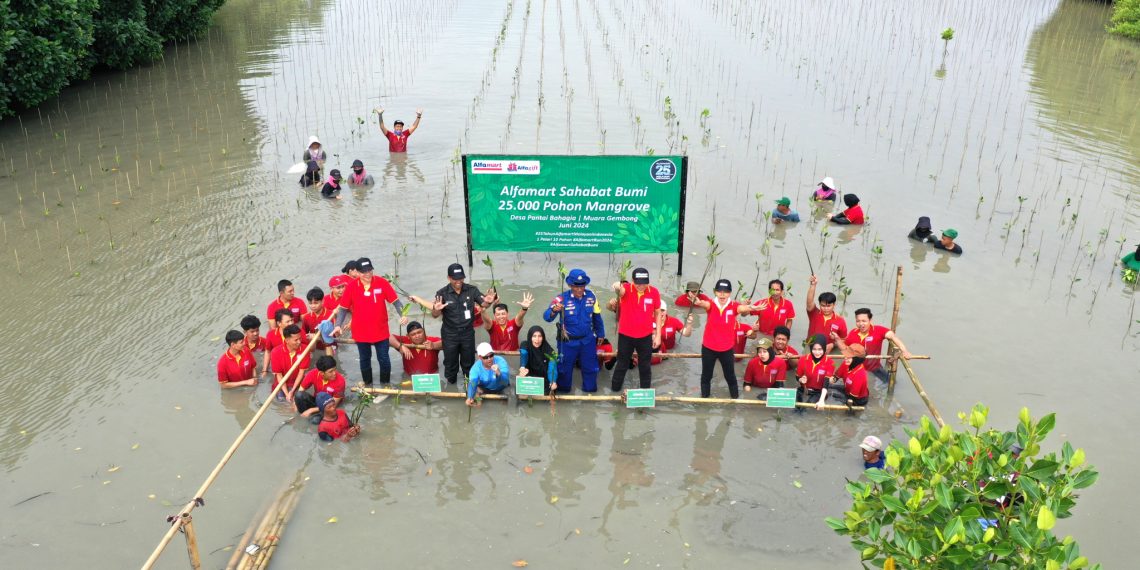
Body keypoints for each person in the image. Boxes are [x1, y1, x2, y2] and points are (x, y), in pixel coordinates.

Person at [333, 257, 406, 386]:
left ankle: (385, 385)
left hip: (381, 330)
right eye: (363, 272)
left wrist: (403, 315)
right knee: (364, 359)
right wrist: (338, 325)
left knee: (384, 359)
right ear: (357, 272)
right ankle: (368, 383)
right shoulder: (351, 287)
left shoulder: (382, 283)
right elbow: (343, 309)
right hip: (361, 332)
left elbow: (396, 302)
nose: (367, 274)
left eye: (369, 271)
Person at [419, 263, 492, 385]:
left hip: (467, 333)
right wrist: (436, 309)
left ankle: (469, 386)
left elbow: (483, 303)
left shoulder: (472, 290)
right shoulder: (441, 293)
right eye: (455, 278)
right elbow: (435, 315)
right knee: (450, 363)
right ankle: (451, 384)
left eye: (461, 278)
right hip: (450, 334)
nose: (458, 281)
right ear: (449, 278)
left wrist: (488, 302)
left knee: (468, 362)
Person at [688, 279, 757, 398]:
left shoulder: (734, 306)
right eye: (719, 291)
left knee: (730, 376)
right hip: (709, 348)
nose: (722, 294)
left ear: (730, 293)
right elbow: (705, 304)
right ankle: (705, 401)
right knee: (706, 376)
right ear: (715, 292)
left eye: (725, 292)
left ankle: (735, 400)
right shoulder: (711, 304)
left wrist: (752, 307)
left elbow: (742, 308)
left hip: (727, 349)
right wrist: (699, 302)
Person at [543, 269, 606, 392]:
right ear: (570, 285)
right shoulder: (561, 298)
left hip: (587, 341)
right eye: (576, 286)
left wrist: (601, 333)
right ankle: (564, 393)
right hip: (567, 342)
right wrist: (554, 310)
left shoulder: (591, 296)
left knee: (591, 368)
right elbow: (546, 317)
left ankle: (589, 393)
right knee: (564, 369)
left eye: (582, 286)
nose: (579, 289)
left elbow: (597, 316)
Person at [610, 268, 664, 392]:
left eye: (644, 283)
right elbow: (620, 291)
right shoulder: (627, 288)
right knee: (622, 364)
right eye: (638, 283)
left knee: (645, 366)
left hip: (645, 336)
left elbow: (657, 314)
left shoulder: (654, 292)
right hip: (626, 335)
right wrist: (617, 286)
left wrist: (658, 336)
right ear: (632, 281)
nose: (641, 286)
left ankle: (645, 393)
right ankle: (615, 390)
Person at [832, 308, 912, 381]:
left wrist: (904, 351)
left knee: (891, 382)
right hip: (856, 367)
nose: (861, 324)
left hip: (874, 367)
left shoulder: (878, 330)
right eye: (858, 321)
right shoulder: (853, 332)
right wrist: (837, 339)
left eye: (864, 321)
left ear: (870, 320)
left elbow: (894, 337)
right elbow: (846, 350)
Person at [805, 275, 847, 352]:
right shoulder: (814, 313)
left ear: (834, 305)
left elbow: (843, 339)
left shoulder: (840, 320)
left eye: (828, 306)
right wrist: (813, 285)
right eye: (823, 306)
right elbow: (809, 302)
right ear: (819, 304)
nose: (826, 308)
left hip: (830, 350)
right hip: (811, 347)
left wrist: (833, 345)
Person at [270, 324, 311, 399]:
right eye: (296, 340)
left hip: (298, 384)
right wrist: (286, 394)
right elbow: (279, 376)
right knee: (281, 400)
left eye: (300, 339)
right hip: (281, 384)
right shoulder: (275, 352)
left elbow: (301, 373)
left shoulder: (305, 350)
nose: (299, 342)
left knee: (298, 399)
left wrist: (292, 391)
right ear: (287, 340)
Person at [518, 325, 558, 394]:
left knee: (550, 388)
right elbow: (524, 354)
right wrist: (522, 367)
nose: (537, 339)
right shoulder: (525, 344)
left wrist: (552, 381)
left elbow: (552, 365)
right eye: (534, 336)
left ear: (543, 337)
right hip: (528, 373)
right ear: (530, 337)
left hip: (544, 377)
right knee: (519, 388)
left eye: (540, 336)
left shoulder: (549, 350)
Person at [796, 335, 835, 405]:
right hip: (804, 389)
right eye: (814, 349)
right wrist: (801, 379)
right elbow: (797, 377)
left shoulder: (830, 363)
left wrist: (821, 400)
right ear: (811, 348)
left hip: (819, 392)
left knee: (806, 408)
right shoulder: (803, 359)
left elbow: (826, 383)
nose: (817, 352)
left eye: (820, 349)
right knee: (796, 407)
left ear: (824, 348)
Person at [301, 287, 336, 356]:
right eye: (310, 303)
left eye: (316, 303)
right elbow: (304, 334)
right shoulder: (306, 317)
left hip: (330, 346)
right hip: (315, 348)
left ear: (323, 301)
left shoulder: (331, 315)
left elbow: (335, 335)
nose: (313, 306)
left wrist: (318, 337)